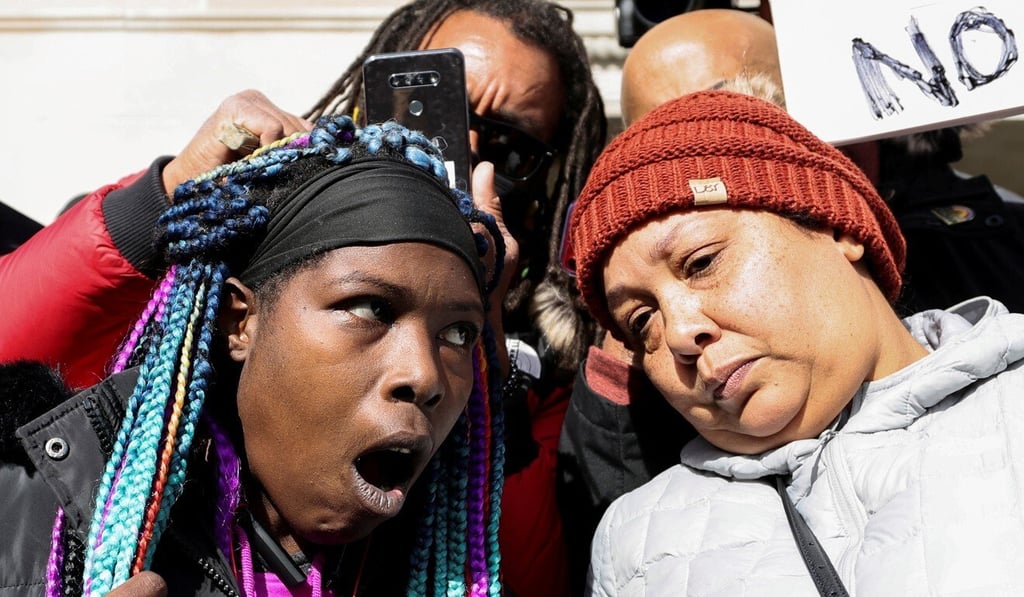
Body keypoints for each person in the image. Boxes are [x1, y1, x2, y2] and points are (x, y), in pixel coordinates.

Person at [3, 1, 608, 590]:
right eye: (421, 108)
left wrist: (484, 336)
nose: (461, 152)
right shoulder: (183, 272)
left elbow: (503, 568)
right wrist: (160, 200)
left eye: (509, 147)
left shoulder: (542, 366)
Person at [0, 116, 509, 595]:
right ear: (238, 320)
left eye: (459, 333)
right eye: (370, 308)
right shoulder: (24, 517)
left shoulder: (445, 562)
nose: (425, 376)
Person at [571, 89, 1024, 595]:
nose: (679, 333)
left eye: (701, 263)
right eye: (641, 321)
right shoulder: (631, 547)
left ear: (837, 228)